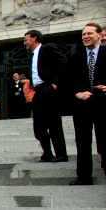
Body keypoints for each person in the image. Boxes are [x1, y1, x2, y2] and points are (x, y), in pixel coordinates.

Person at [68, 23, 106, 188]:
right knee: (82, 142)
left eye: (89, 33)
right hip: (82, 106)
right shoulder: (75, 56)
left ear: (99, 35)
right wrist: (77, 93)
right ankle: (83, 177)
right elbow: (68, 81)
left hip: (105, 105)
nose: (85, 37)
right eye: (83, 34)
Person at [24, 29, 68, 162]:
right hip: (38, 91)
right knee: (38, 126)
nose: (24, 42)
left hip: (49, 88)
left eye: (26, 39)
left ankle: (61, 155)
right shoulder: (31, 55)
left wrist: (55, 83)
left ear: (34, 38)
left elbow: (63, 62)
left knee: (54, 124)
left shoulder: (47, 48)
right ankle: (47, 153)